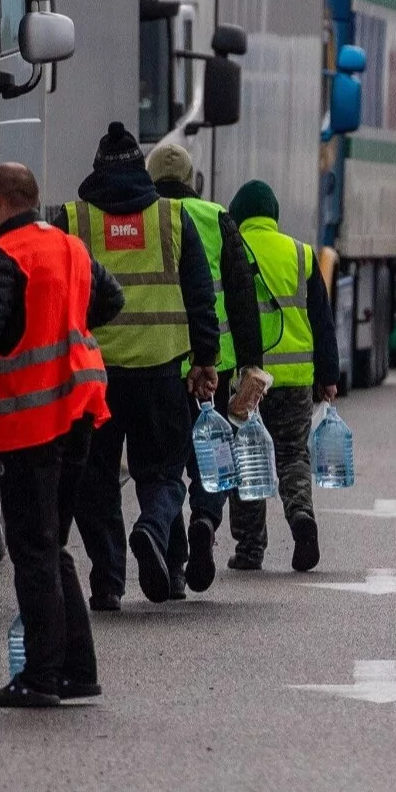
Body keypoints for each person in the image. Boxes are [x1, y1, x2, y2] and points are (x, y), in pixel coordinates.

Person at [0, 163, 122, 709]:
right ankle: (76, 671)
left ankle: (41, 677)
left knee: (33, 550)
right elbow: (110, 301)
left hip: (32, 419)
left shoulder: (3, 256)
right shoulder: (67, 247)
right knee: (52, 545)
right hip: (81, 408)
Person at [51, 125, 221, 607]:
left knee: (94, 479)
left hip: (93, 378)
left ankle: (107, 581)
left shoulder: (73, 220)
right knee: (164, 473)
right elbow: (200, 294)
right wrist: (205, 359)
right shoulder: (171, 219)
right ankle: (151, 528)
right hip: (162, 371)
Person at [145, 140, 267, 595]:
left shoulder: (146, 218)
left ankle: (173, 563)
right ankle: (205, 520)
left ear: (151, 179)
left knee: (166, 466)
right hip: (215, 368)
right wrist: (252, 362)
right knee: (214, 460)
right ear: (192, 180)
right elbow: (241, 294)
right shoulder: (218, 217)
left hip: (158, 362)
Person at [221, 179, 341, 573]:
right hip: (295, 379)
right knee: (292, 454)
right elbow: (322, 323)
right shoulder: (301, 254)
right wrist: (327, 376)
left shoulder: (231, 248)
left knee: (248, 459)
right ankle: (301, 515)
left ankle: (250, 549)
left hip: (250, 380)